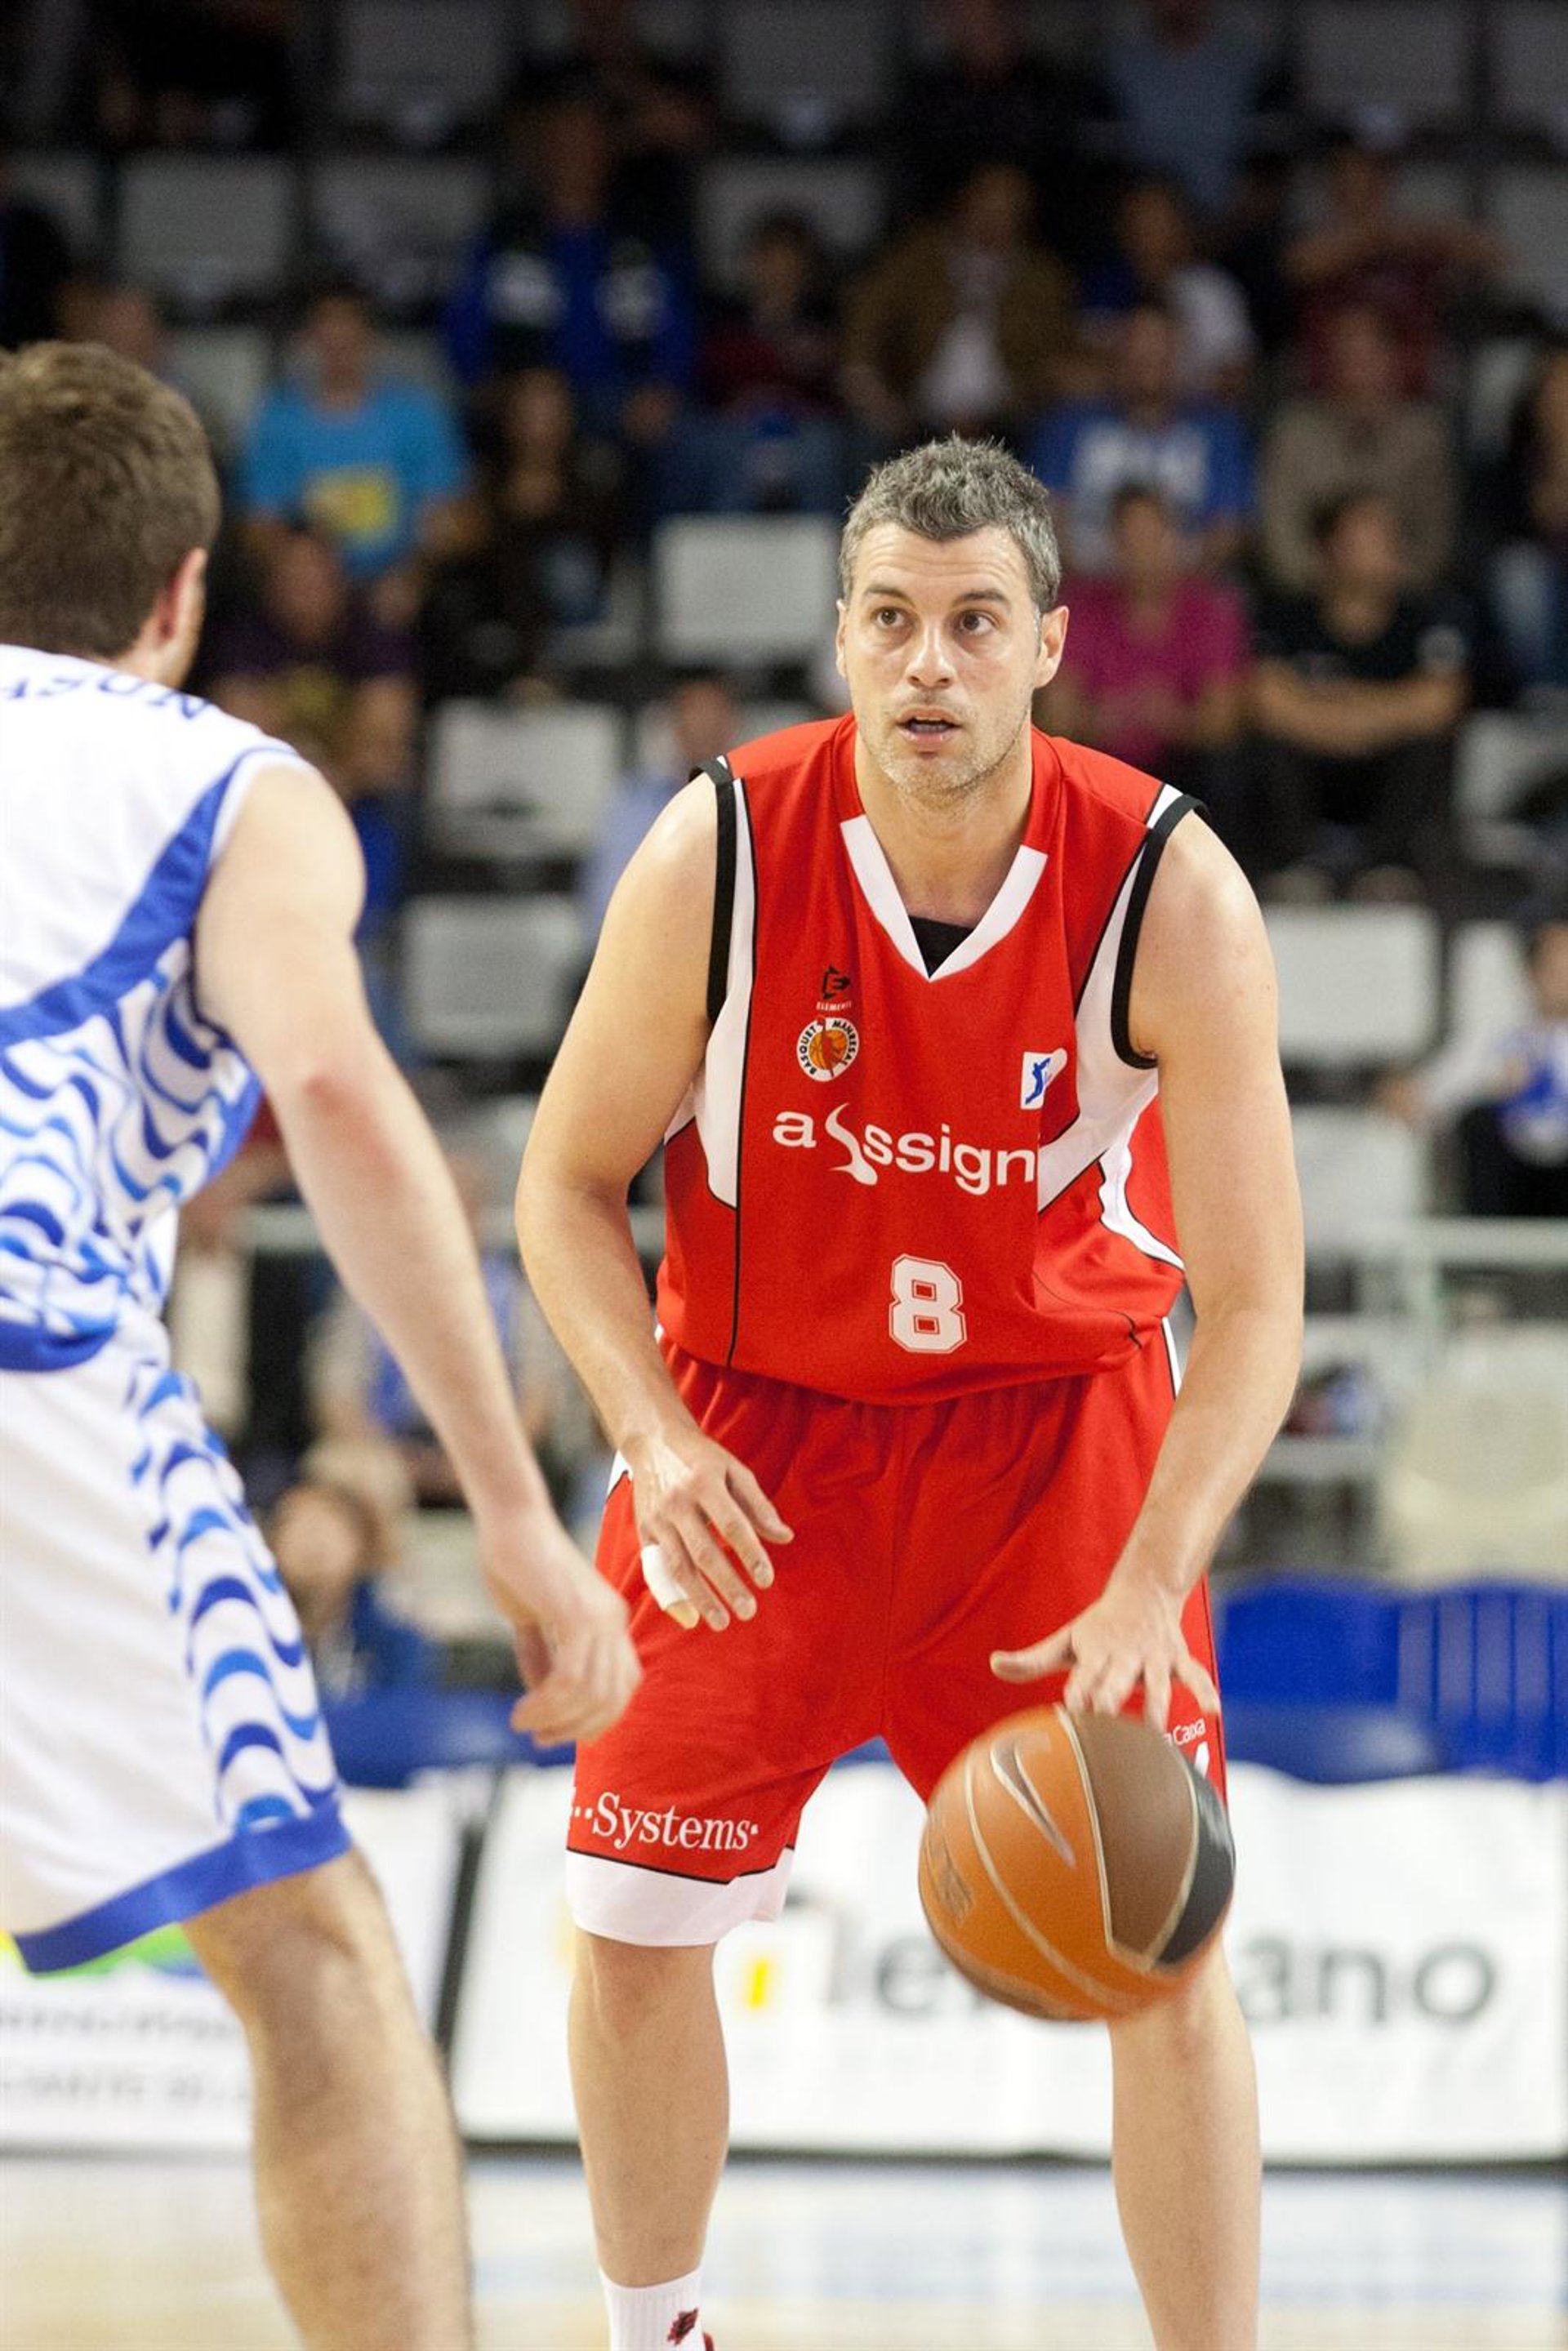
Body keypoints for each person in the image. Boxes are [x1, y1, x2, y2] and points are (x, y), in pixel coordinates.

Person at [518, 435, 1303, 2351]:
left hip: (1056, 1451)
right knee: (630, 1920)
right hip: (752, 1442)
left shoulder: (1168, 889)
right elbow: (560, 1185)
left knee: (1157, 1938)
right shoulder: (720, 848)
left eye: (971, 622)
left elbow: (1259, 1306)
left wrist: (1150, 1576)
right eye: (889, 619)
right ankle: (659, 2334)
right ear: (842, 637)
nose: (926, 663)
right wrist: (648, 1433)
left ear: (1049, 644)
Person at [0, 341, 639, 2351]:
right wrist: (513, 1509)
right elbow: (343, 1100)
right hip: (29, 1333)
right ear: (185, 591)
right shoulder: (229, 784)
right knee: (314, 1947)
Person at [1250, 488, 1468, 893]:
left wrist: (1336, 705)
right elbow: (1267, 703)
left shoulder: (1426, 615)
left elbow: (1441, 702)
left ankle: (1389, 868)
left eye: (1387, 539)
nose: (1381, 551)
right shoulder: (1286, 616)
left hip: (1386, 775)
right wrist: (1378, 714)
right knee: (1263, 743)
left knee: (1432, 743)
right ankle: (1297, 867)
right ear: (1327, 548)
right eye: (1363, 539)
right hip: (1314, 772)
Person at [238, 282, 473, 616]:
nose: (339, 354)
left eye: (349, 341)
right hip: (306, 593)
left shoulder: (417, 414)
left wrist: (414, 577)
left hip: (400, 591)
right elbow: (260, 527)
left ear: (370, 340)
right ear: (308, 341)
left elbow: (450, 518)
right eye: (329, 341)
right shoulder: (277, 420)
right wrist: (306, 583)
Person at [841, 164, 1079, 448]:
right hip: (915, 418)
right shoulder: (919, 257)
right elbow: (868, 314)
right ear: (964, 203)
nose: (993, 219)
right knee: (861, 439)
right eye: (986, 205)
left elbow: (1055, 354)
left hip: (1008, 423)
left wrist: (1018, 402)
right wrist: (867, 383)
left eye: (1006, 210)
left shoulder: (1043, 278)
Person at [1043, 482, 1248, 786]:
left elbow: (1224, 720)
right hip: (1099, 771)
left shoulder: (1212, 609)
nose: (1143, 553)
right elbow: (1055, 717)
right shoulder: (1080, 608)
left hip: (1188, 772)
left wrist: (1176, 720)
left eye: (1154, 538)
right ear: (1113, 544)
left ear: (1177, 539)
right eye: (1131, 540)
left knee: (1226, 767)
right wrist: (1102, 719)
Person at [1029, 299, 1254, 574]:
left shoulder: (1217, 433)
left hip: (1186, 589)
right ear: (1117, 353)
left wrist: (1153, 585)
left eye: (1160, 346)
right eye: (1137, 346)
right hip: (1083, 587)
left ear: (1181, 354)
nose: (1148, 358)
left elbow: (1227, 533)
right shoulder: (1069, 427)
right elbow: (1046, 521)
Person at [1258, 303, 1457, 596]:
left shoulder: (1424, 436)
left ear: (1394, 360)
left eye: (1369, 355)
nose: (1358, 367)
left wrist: (1385, 579)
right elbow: (1280, 533)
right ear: (1329, 361)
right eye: (1347, 355)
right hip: (1309, 596)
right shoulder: (1294, 432)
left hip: (1405, 596)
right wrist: (1335, 584)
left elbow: (1434, 537)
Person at [1382, 913, 1568, 1219]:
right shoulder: (1500, 1037)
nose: (1563, 982)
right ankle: (1485, 1238)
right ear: (1532, 974)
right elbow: (1438, 1090)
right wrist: (1411, 1093)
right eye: (1556, 971)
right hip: (1512, 1174)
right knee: (1478, 1120)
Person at [578, 671, 743, 937]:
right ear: (675, 727)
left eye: (715, 719)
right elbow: (606, 901)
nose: (705, 729)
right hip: (648, 946)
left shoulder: (759, 799)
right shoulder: (633, 801)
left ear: (733, 726)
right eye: (695, 718)